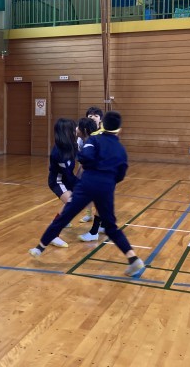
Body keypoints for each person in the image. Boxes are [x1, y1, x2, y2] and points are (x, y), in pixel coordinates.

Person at [29, 111, 145, 277]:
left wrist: (92, 167)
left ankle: (40, 247)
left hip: (88, 184)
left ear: (102, 125)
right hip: (107, 188)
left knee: (66, 215)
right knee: (111, 226)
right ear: (119, 130)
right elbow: (121, 174)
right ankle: (132, 258)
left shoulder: (94, 140)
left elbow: (85, 157)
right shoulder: (121, 149)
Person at [46, 118, 79, 248]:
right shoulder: (58, 153)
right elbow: (66, 174)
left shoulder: (73, 145)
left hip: (68, 178)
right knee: (71, 203)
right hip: (58, 181)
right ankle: (53, 234)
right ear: (66, 132)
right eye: (73, 128)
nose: (76, 130)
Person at [75, 117, 105, 242]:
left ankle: (94, 231)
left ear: (85, 130)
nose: (76, 129)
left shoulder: (91, 143)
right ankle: (101, 226)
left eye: (78, 127)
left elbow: (86, 162)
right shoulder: (91, 140)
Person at [79, 106, 104, 223]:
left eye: (96, 116)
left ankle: (101, 219)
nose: (93, 118)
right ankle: (88, 214)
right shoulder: (82, 135)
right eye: (90, 116)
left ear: (100, 119)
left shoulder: (103, 134)